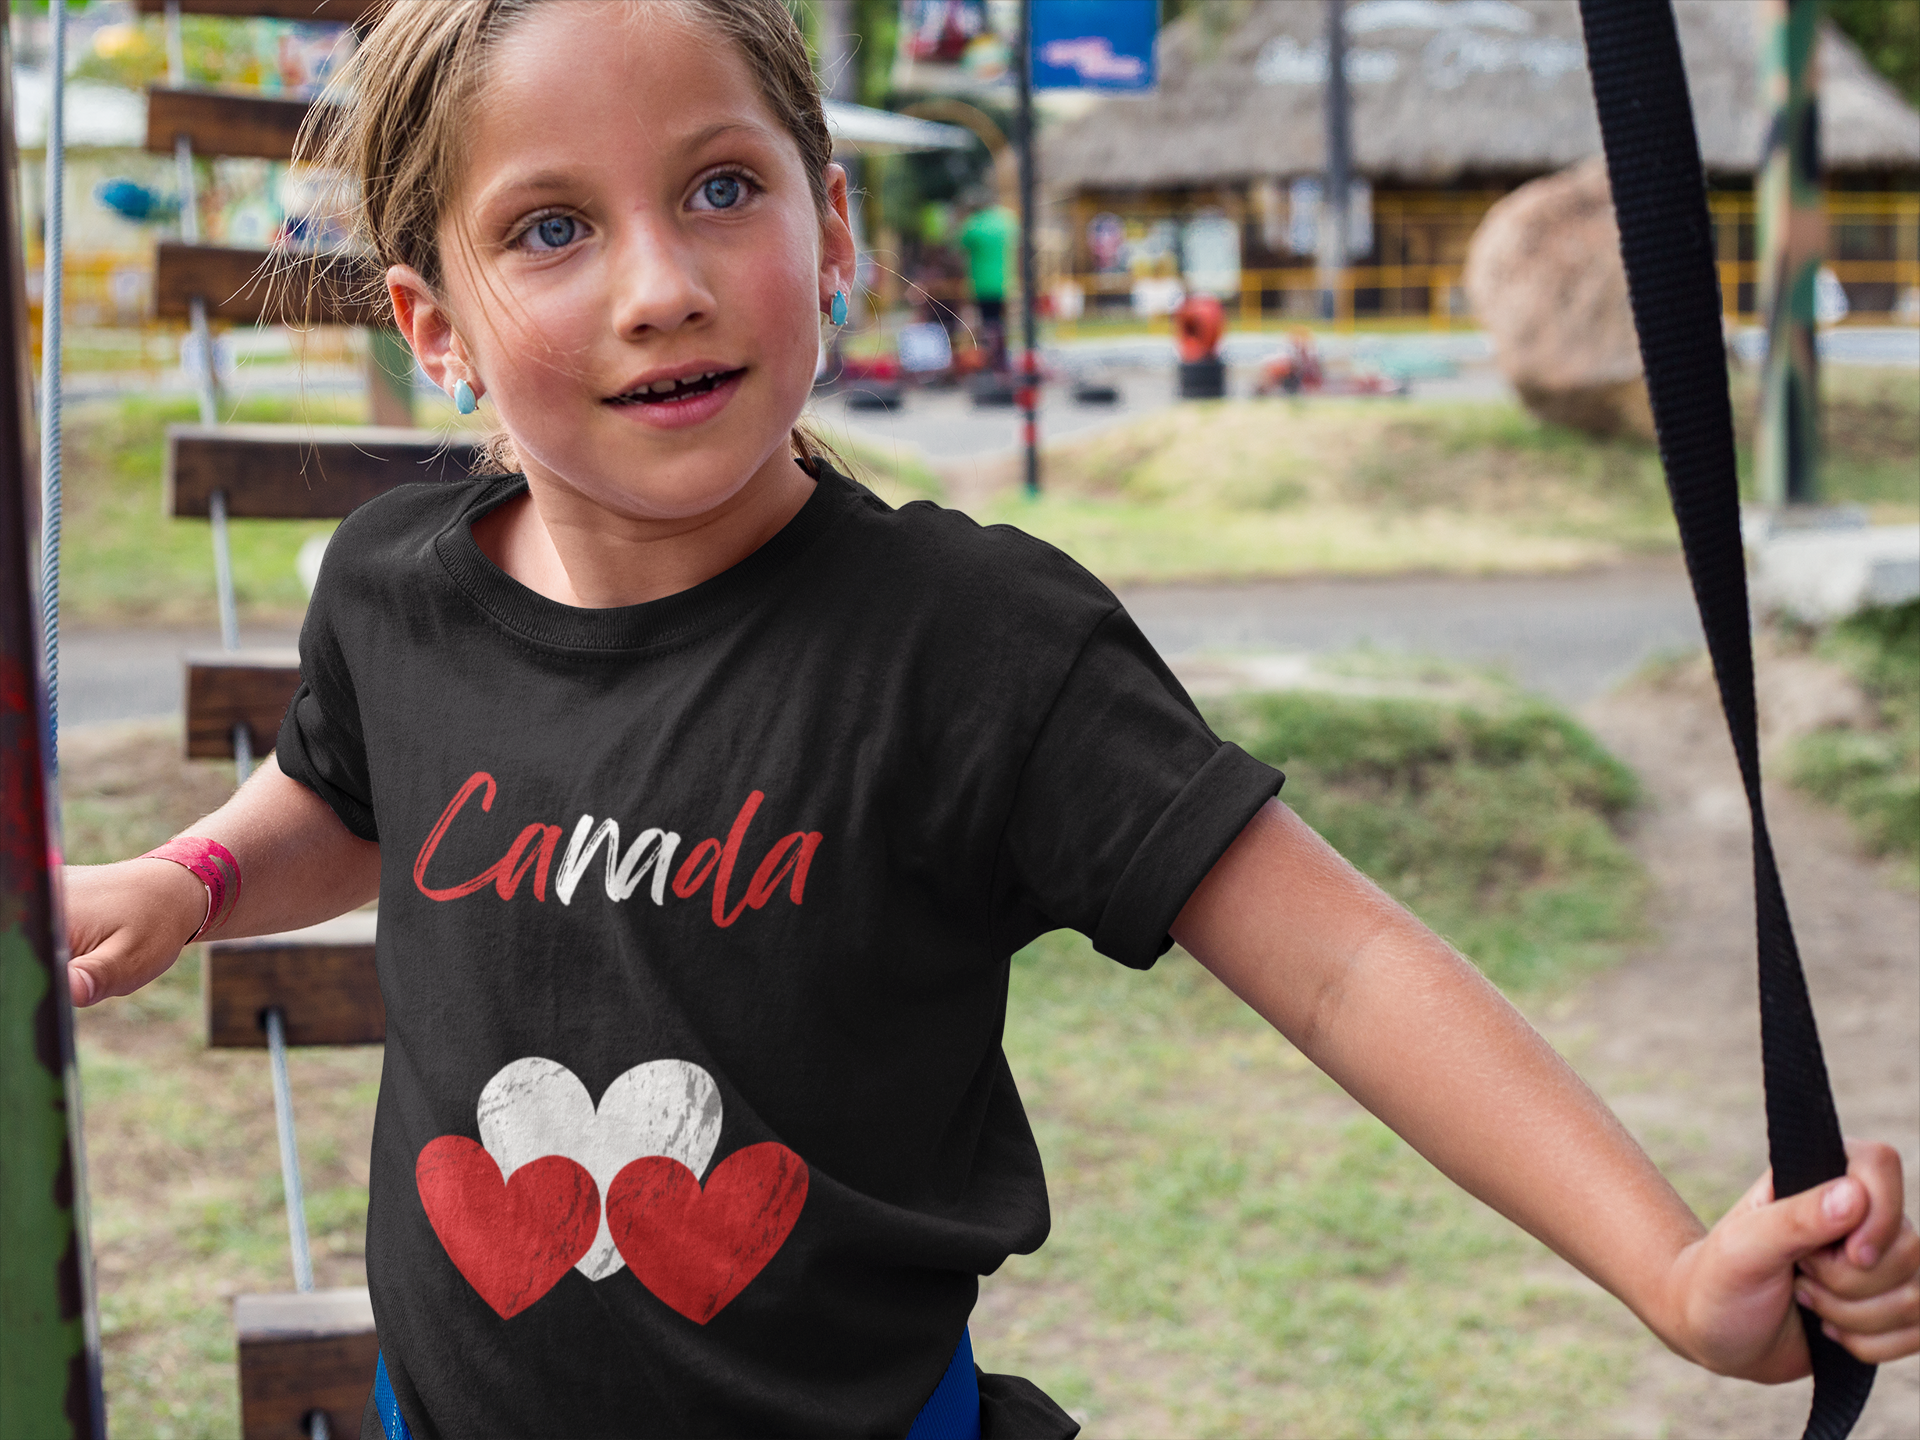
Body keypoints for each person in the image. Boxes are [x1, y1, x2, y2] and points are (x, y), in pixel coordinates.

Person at [63, 4, 1917, 1439]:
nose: (663, 283)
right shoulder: (396, 585)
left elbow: (1346, 969)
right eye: (550, 227)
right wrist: (195, 875)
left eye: (723, 185)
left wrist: (1673, 1268)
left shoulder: (973, 648)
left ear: (834, 222)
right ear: (433, 322)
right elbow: (351, 787)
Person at [957, 192, 1016, 370]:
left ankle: (990, 359)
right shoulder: (1006, 221)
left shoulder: (974, 225)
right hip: (1005, 282)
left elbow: (960, 245)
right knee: (1002, 323)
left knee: (987, 323)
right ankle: (1002, 358)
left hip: (982, 284)